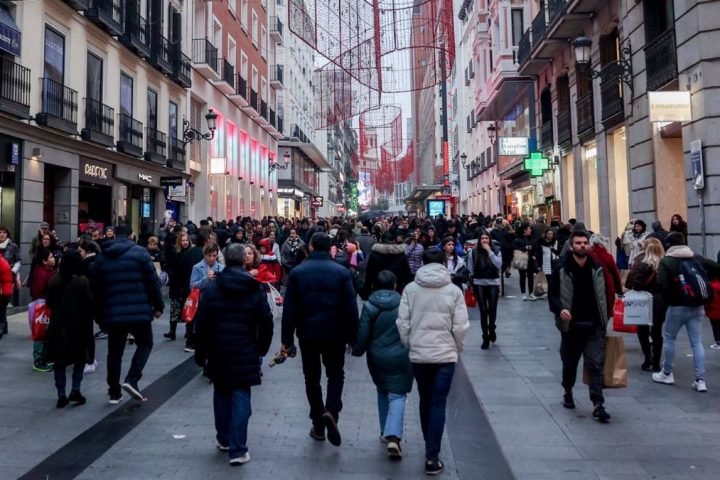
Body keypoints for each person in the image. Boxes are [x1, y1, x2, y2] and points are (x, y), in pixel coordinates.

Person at [193, 244, 273, 466]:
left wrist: (201, 353)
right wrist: (261, 348)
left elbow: (202, 323)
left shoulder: (212, 287)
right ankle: (238, 448)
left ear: (225, 260)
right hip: (245, 348)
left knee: (221, 392)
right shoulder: (253, 288)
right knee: (241, 393)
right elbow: (266, 322)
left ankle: (224, 438)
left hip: (218, 348)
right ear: (244, 261)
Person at [281, 232, 359, 447]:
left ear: (312, 247)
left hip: (308, 333)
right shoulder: (342, 272)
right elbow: (351, 307)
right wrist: (353, 336)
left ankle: (317, 422)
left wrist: (287, 340)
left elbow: (289, 310)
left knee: (311, 377)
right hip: (335, 333)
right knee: (336, 374)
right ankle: (332, 410)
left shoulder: (298, 273)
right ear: (330, 248)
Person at [396, 249, 469, 475]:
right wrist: (456, 347)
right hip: (445, 354)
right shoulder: (454, 291)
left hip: (420, 354)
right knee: (438, 402)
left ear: (423, 264)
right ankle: (432, 455)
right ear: (443, 263)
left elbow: (403, 323)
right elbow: (460, 326)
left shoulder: (410, 289)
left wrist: (410, 344)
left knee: (425, 399)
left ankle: (431, 444)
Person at [91, 224, 164, 404]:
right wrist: (158, 305)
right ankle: (132, 378)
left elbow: (95, 288)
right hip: (139, 311)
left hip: (114, 312)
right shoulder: (140, 253)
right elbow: (153, 282)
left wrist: (100, 315)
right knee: (145, 343)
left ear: (114, 235)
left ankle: (114, 391)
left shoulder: (102, 256)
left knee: (114, 352)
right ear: (131, 235)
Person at [548, 230, 611, 423]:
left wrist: (607, 314)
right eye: (578, 243)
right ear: (571, 245)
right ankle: (568, 390)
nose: (583, 246)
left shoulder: (596, 267)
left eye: (585, 243)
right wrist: (560, 310)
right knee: (570, 364)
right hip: (572, 327)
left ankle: (598, 404)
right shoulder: (561, 268)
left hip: (594, 325)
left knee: (595, 364)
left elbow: (607, 291)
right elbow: (553, 296)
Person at [352, 270, 412, 460]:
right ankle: (393, 434)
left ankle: (385, 430)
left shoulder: (370, 306)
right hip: (402, 355)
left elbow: (362, 333)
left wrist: (357, 350)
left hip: (377, 355)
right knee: (398, 394)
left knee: (382, 390)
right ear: (395, 285)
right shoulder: (404, 303)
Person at [653, 232, 720, 392]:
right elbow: (717, 268)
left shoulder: (667, 261)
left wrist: (669, 299)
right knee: (696, 342)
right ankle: (700, 380)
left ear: (668, 245)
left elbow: (662, 284)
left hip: (676, 306)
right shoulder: (696, 258)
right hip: (697, 306)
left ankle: (667, 373)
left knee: (669, 338)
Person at [44, 250, 94, 408]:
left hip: (57, 325)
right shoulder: (83, 281)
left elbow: (49, 302)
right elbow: (88, 305)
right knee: (79, 359)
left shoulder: (54, 281)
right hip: (78, 325)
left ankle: (61, 394)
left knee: (59, 361)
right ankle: (75, 389)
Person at [625, 238, 667, 372]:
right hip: (660, 301)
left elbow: (635, 284)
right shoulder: (665, 265)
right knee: (657, 331)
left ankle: (647, 358)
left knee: (642, 330)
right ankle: (656, 363)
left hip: (643, 300)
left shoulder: (642, 265)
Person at [466, 232, 502, 350]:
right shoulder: (474, 252)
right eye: (482, 238)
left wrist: (490, 252)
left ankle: (491, 327)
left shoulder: (496, 250)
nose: (484, 240)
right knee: (483, 309)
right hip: (479, 282)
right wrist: (473, 278)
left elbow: (498, 264)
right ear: (479, 240)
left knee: (492, 308)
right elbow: (470, 267)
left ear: (490, 239)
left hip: (493, 282)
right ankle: (485, 337)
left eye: (486, 238)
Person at [29, 247, 57, 372]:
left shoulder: (49, 271)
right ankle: (38, 360)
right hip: (41, 306)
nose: (54, 258)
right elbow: (37, 291)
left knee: (45, 333)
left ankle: (44, 358)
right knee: (40, 333)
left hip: (46, 305)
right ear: (44, 261)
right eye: (51, 257)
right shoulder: (41, 273)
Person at [364, 232, 413, 296]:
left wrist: (367, 288)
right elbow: (407, 273)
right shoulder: (400, 254)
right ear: (394, 240)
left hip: (378, 287)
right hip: (397, 288)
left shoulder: (374, 254)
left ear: (381, 240)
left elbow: (369, 272)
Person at [165, 232, 192, 341]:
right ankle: (172, 331)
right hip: (176, 284)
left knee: (187, 307)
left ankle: (188, 330)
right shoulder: (174, 253)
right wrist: (172, 275)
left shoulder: (191, 253)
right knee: (175, 308)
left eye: (186, 240)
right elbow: (169, 266)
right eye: (183, 241)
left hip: (187, 284)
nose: (185, 242)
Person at [0, 226, 21, 336]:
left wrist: (13, 272)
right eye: (0, 232)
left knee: (3, 302)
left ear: (7, 234)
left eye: (4, 232)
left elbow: (18, 261)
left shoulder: (12, 246)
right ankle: (3, 325)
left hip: (8, 278)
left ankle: (2, 325)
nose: (2, 234)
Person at [513, 223, 537, 301]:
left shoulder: (531, 238)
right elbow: (515, 248)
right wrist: (525, 247)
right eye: (529, 229)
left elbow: (534, 247)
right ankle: (523, 293)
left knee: (530, 276)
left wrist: (534, 254)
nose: (530, 230)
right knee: (522, 276)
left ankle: (531, 293)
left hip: (530, 259)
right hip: (522, 260)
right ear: (525, 230)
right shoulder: (518, 239)